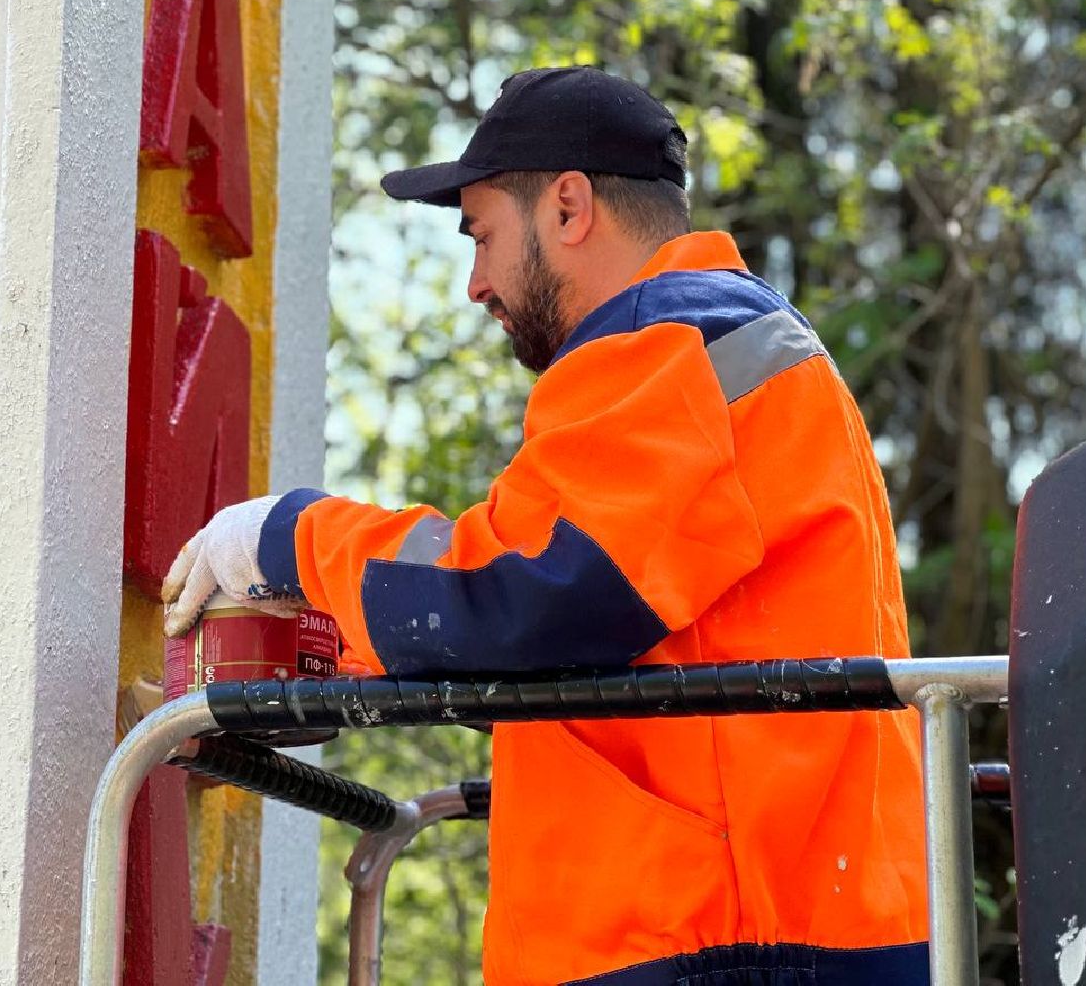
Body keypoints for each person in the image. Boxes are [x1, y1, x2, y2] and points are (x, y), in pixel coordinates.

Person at [163, 66, 928, 986]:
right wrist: (326, 662)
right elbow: (603, 644)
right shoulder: (729, 343)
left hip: (712, 943)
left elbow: (518, 599)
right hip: (785, 922)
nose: (476, 285)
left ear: (568, 207)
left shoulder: (665, 341)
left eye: (481, 236)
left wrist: (288, 537)